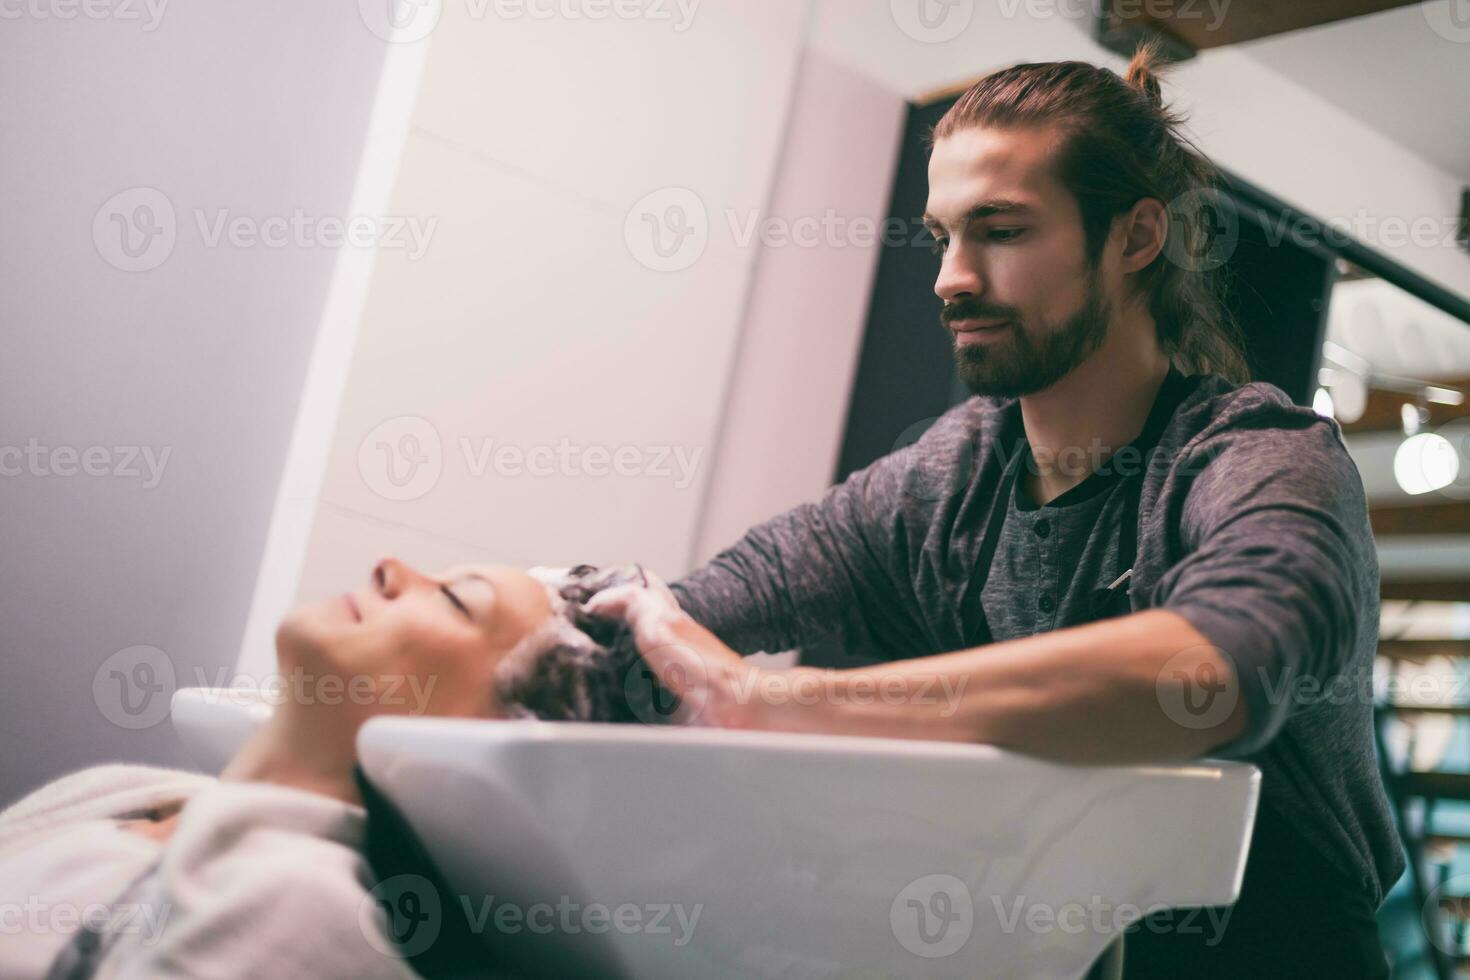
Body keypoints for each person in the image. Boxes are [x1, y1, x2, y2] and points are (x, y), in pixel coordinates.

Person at [586, 39, 1405, 978]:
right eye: (942, 237)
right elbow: (724, 595)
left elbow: (1214, 672)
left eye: (1002, 231)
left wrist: (762, 703)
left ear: (1136, 238)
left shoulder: (1259, 457)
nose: (951, 278)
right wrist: (568, 621)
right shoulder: (953, 472)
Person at [0, 559, 669, 980]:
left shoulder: (303, 913)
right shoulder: (131, 793)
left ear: (505, 739)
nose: (391, 568)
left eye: (456, 600)